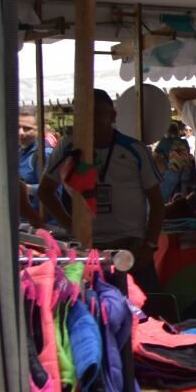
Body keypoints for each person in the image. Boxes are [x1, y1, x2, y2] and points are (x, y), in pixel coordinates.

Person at [38, 90, 165, 293]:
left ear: (112, 116)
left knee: (148, 311)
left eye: (97, 113)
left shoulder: (134, 149)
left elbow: (157, 203)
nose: (91, 120)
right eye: (83, 114)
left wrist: (149, 245)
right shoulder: (68, 147)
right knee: (95, 310)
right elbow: (45, 192)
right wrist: (70, 226)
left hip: (130, 245)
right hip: (87, 248)